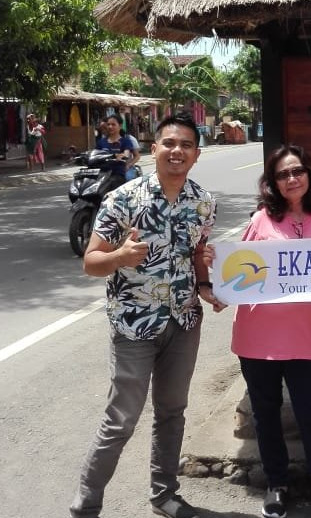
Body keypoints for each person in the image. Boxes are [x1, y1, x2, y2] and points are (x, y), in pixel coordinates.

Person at [69, 112, 220, 518]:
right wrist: (120, 256)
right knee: (121, 420)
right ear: (154, 149)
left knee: (172, 412)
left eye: (186, 145)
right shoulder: (123, 199)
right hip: (134, 325)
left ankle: (165, 497)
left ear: (196, 154)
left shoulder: (203, 203)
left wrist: (207, 287)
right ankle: (86, 506)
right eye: (169, 143)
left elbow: (196, 258)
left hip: (184, 321)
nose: (177, 151)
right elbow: (91, 262)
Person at [232, 144, 311, 518]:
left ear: (308, 174)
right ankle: (276, 484)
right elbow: (237, 272)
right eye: (282, 174)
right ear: (273, 182)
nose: (291, 179)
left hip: (306, 337)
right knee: (266, 414)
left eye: (296, 171)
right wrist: (213, 279)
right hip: (258, 336)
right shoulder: (261, 219)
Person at [97, 113, 135, 178]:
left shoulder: (125, 141)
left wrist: (122, 156)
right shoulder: (101, 141)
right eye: (108, 124)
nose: (110, 127)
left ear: (120, 126)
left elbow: (126, 154)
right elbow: (95, 154)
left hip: (117, 174)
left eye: (113, 124)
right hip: (102, 174)